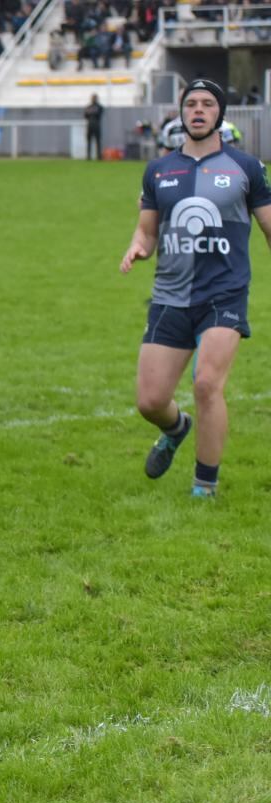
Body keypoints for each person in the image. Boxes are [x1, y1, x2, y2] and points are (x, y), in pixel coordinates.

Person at [119, 79, 271, 498]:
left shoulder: (246, 167)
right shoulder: (159, 170)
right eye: (191, 104)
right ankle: (175, 428)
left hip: (224, 294)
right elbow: (146, 232)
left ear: (220, 114)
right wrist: (137, 247)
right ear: (182, 113)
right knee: (150, 401)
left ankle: (205, 486)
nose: (198, 110)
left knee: (206, 384)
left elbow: (268, 225)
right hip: (170, 295)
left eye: (207, 104)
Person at [84, 93, 104, 160]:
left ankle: (99, 156)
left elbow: (99, 114)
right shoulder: (88, 107)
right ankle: (88, 156)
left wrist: (91, 113)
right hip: (90, 125)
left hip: (96, 126)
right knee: (89, 141)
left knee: (97, 141)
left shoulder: (99, 107)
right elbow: (85, 115)